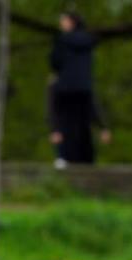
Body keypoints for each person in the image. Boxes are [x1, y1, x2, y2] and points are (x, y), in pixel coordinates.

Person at [47, 11, 111, 166]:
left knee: (63, 119)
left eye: (63, 21)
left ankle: (63, 156)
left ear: (71, 22)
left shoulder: (62, 40)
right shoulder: (88, 41)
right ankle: (87, 159)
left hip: (64, 86)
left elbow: (55, 61)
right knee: (84, 121)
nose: (61, 24)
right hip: (84, 86)